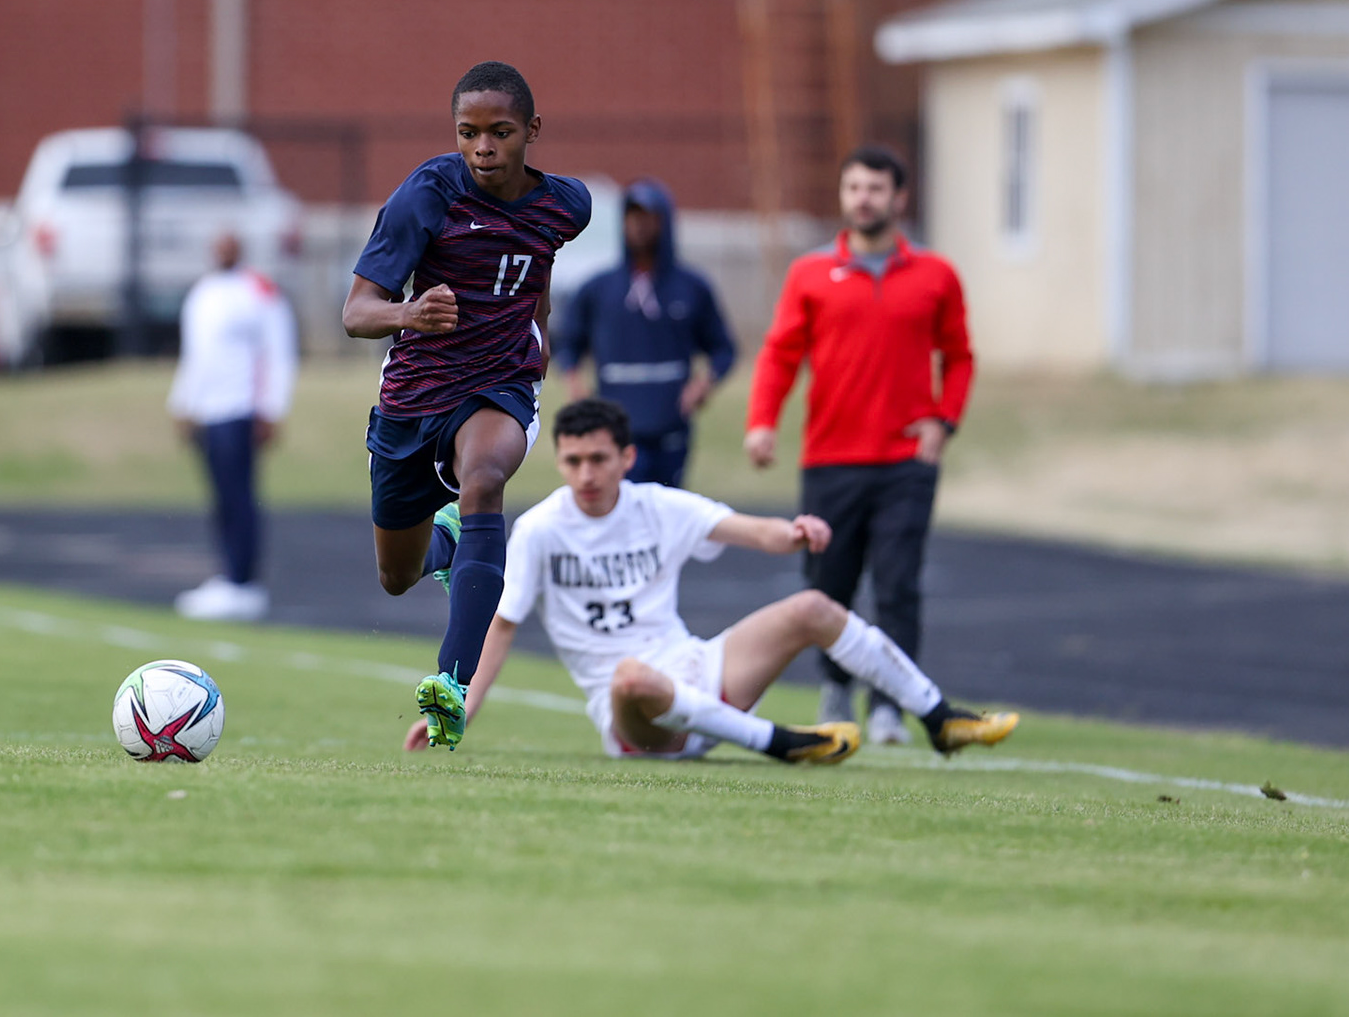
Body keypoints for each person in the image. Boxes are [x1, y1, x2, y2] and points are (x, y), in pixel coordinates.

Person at [403, 398, 1017, 762]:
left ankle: (940, 718)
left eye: (598, 459)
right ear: (559, 460)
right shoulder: (541, 529)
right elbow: (501, 628)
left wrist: (796, 531)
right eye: (573, 461)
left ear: (627, 458)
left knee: (812, 606)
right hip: (635, 721)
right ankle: (781, 742)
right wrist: (461, 711)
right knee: (630, 674)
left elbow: (754, 533)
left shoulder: (658, 506)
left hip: (701, 675)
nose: (586, 473)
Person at [343, 60, 591, 749]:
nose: (484, 148)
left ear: (531, 131)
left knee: (485, 481)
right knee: (397, 576)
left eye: (500, 132)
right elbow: (356, 313)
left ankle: (451, 689)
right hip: (414, 393)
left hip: (500, 384)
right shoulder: (428, 195)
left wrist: (538, 336)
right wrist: (410, 312)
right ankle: (446, 542)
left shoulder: (568, 204)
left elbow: (537, 266)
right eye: (469, 133)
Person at [743, 145, 973, 746]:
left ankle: (892, 705)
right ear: (843, 197)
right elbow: (781, 354)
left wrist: (943, 422)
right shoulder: (810, 274)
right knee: (828, 584)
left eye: (875, 188)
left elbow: (960, 357)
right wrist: (763, 421)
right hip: (830, 460)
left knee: (898, 585)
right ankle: (836, 689)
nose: (863, 198)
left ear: (899, 198)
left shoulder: (936, 276)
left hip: (905, 462)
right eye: (853, 188)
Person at [557, 178, 735, 488]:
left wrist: (702, 385)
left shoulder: (691, 287)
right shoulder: (599, 288)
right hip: (615, 425)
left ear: (664, 222)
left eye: (648, 217)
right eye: (632, 216)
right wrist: (575, 383)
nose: (639, 226)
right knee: (619, 508)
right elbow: (567, 342)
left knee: (667, 511)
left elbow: (723, 348)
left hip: (670, 424)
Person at [168, 230, 297, 622]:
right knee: (220, 497)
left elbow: (279, 350)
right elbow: (195, 354)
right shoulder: (202, 292)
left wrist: (272, 408)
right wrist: (182, 402)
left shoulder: (258, 290)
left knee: (240, 497)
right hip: (207, 409)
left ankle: (243, 582)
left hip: (240, 407)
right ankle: (228, 575)